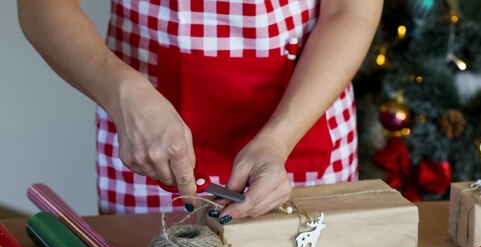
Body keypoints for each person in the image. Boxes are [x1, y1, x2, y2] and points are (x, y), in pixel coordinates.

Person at [17, 0, 383, 224]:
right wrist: (123, 95)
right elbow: (43, 6)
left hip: (301, 119)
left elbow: (351, 10)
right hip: (146, 128)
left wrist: (278, 138)